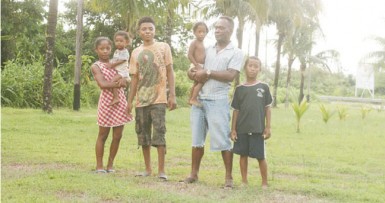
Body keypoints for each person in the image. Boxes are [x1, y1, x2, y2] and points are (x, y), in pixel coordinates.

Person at [183, 16, 244, 188]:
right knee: (196, 139)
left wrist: (208, 73)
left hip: (218, 101)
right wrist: (192, 73)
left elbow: (231, 75)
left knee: (223, 139)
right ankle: (193, 174)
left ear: (230, 30)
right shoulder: (207, 49)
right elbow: (195, 69)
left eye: (221, 28)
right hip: (200, 100)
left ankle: (228, 178)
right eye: (216, 27)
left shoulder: (236, 52)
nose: (217, 30)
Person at [126, 16, 177, 181]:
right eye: (144, 29)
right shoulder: (135, 52)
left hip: (159, 99)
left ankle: (162, 170)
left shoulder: (163, 47)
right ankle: (148, 169)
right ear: (139, 32)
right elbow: (134, 78)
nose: (147, 31)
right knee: (143, 135)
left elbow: (170, 71)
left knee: (160, 133)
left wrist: (172, 94)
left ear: (155, 30)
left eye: (150, 29)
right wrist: (129, 101)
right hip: (141, 100)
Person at [91, 37, 133, 173]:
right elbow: (103, 84)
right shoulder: (96, 66)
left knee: (118, 135)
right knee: (103, 135)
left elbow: (126, 80)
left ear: (111, 49)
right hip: (106, 103)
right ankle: (99, 166)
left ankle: (110, 165)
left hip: (120, 100)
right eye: (101, 49)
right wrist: (118, 83)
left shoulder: (116, 63)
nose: (105, 51)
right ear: (96, 50)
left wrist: (123, 82)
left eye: (107, 48)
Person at [230, 56, 272, 188]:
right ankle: (244, 181)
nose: (253, 69)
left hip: (258, 128)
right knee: (243, 155)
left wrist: (268, 127)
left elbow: (267, 108)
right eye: (250, 66)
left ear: (259, 69)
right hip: (242, 128)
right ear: (245, 68)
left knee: (261, 156)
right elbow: (236, 110)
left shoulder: (264, 87)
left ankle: (264, 183)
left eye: (256, 66)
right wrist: (233, 129)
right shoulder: (239, 89)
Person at [187, 21, 208, 107]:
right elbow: (189, 55)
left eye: (204, 32)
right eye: (199, 32)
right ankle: (193, 98)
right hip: (196, 65)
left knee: (196, 83)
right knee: (202, 81)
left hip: (200, 66)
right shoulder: (194, 42)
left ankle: (190, 99)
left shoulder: (202, 43)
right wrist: (196, 65)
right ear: (194, 33)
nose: (202, 34)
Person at [108, 31, 131, 106]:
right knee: (116, 83)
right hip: (118, 71)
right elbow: (114, 59)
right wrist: (109, 62)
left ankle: (116, 97)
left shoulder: (125, 51)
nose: (118, 43)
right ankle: (120, 94)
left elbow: (122, 60)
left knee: (112, 81)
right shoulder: (116, 51)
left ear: (126, 42)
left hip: (123, 72)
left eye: (121, 41)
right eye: (117, 41)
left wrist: (113, 64)